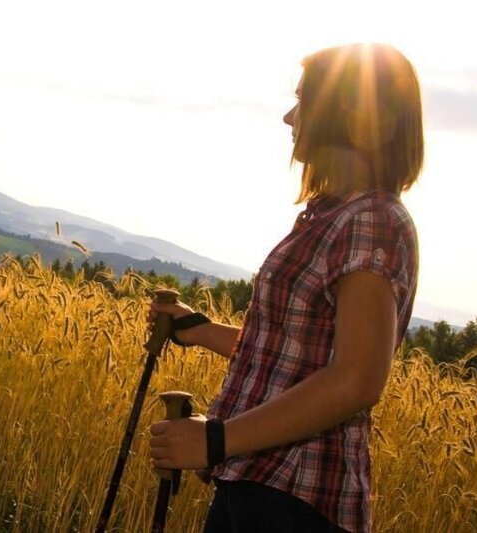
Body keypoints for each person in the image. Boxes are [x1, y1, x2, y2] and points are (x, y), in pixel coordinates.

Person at [148, 42, 423, 533]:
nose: (289, 117)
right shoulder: (333, 216)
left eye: (304, 100)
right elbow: (294, 356)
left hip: (295, 500)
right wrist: (202, 329)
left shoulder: (371, 221)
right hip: (261, 487)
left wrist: (215, 440)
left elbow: (356, 379)